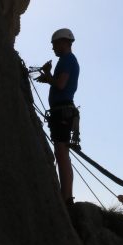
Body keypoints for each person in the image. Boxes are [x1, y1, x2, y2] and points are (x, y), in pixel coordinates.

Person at [36, 28, 79, 206]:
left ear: (64, 42)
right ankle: (66, 196)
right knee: (62, 152)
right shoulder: (67, 60)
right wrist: (48, 75)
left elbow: (60, 85)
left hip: (62, 112)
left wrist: (47, 77)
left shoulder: (67, 60)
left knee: (61, 152)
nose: (53, 48)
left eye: (55, 44)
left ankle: (66, 197)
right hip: (62, 111)